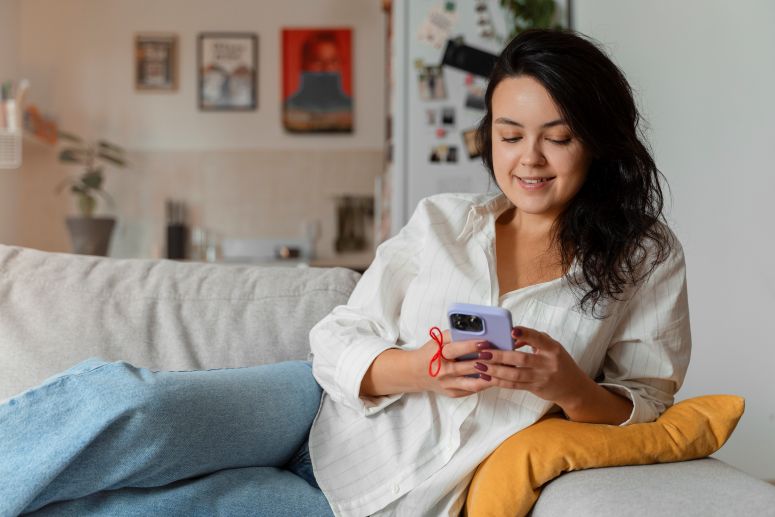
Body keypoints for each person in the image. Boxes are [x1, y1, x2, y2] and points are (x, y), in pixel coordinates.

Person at [0, 29, 690, 517]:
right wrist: (420, 367)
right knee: (126, 405)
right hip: (308, 406)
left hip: (372, 501)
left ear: (596, 138)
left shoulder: (644, 256)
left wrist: (568, 384)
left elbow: (649, 404)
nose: (528, 160)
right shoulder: (445, 221)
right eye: (509, 136)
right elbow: (337, 334)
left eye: (557, 137)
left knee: (125, 509)